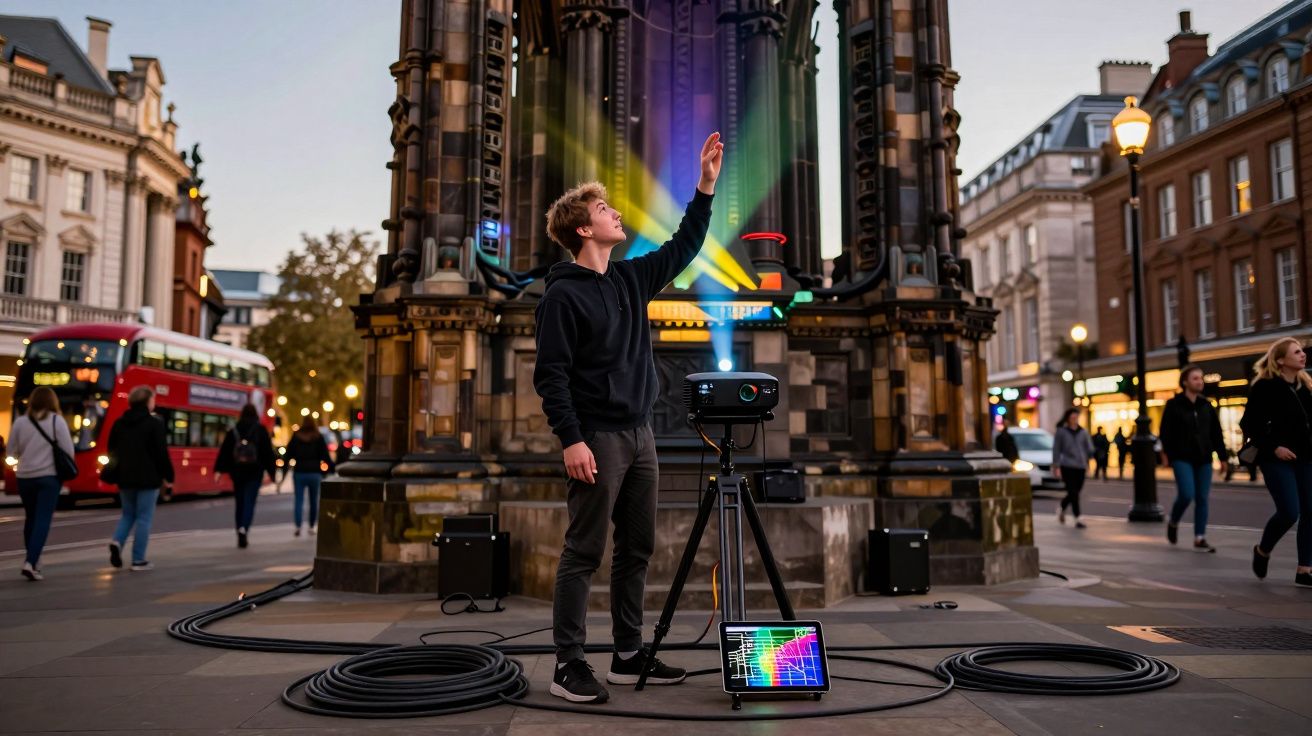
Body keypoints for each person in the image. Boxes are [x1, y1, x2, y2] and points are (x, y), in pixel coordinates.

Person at [534, 131, 722, 704]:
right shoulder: (562, 298)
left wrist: (705, 188)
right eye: (603, 209)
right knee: (584, 551)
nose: (615, 212)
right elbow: (552, 375)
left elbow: (683, 246)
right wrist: (572, 440)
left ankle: (625, 653)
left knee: (637, 548)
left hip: (640, 435)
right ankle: (568, 665)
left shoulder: (629, 277)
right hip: (596, 438)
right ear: (583, 230)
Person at [1240, 337, 1312, 587]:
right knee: (1290, 512)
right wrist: (1275, 447)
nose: (1303, 355)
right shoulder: (1265, 387)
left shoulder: (1306, 387)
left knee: (1310, 511)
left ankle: (1305, 569)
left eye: (1302, 351)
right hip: (1275, 459)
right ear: (1281, 360)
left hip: (1305, 457)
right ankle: (1262, 550)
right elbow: (1249, 424)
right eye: (1296, 352)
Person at [8, 386, 74, 581]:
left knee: (30, 518)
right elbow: (68, 451)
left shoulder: (20, 422)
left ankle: (34, 561)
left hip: (25, 477)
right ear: (53, 402)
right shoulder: (57, 421)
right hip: (49, 477)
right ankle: (30, 561)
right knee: (43, 520)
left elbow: (11, 451)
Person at [105, 386, 174, 571]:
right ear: (147, 402)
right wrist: (168, 477)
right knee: (144, 517)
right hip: (148, 478)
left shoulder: (120, 423)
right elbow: (161, 453)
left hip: (125, 477)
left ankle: (117, 542)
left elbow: (112, 450)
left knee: (128, 514)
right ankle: (138, 559)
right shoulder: (155, 423)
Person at [1159, 365, 1226, 553]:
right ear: (1185, 382)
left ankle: (1199, 537)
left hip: (1204, 458)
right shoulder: (1173, 405)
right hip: (1181, 457)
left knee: (1202, 498)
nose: (1200, 381)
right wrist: (1167, 454)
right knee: (1187, 494)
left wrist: (1223, 458)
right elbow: (1165, 432)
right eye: (1195, 378)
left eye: (1201, 378)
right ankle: (1173, 521)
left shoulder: (1206, 405)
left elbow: (1216, 433)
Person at [215, 403, 277, 548]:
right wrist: (272, 473)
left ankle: (239, 529)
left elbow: (225, 450)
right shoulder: (260, 430)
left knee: (240, 502)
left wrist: (218, 470)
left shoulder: (234, 430)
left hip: (237, 471)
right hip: (255, 472)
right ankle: (244, 528)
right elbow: (267, 453)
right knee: (250, 501)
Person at [283, 417, 334, 536]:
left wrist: (284, 470)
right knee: (313, 501)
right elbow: (325, 456)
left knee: (298, 500)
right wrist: (332, 468)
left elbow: (288, 454)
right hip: (315, 472)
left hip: (299, 471)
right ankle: (312, 525)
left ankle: (298, 526)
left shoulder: (296, 436)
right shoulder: (318, 437)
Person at [1052, 408, 1094, 529]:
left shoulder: (1083, 432)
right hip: (1067, 465)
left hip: (1081, 466)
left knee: (1075, 492)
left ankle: (1062, 507)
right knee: (1073, 491)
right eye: (1072, 418)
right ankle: (1078, 517)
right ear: (1068, 418)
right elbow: (1056, 449)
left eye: (1076, 417)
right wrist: (1056, 465)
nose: (1074, 420)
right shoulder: (1061, 432)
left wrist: (1091, 454)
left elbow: (1089, 448)